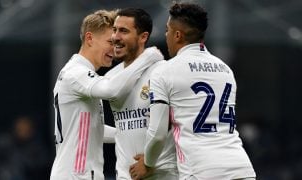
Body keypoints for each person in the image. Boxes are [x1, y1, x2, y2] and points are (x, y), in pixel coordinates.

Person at [129, 2, 256, 180]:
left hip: (201, 171)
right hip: (241, 168)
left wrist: (148, 164)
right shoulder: (225, 69)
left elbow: (157, 134)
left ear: (178, 35)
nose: (166, 36)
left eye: (167, 30)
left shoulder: (165, 71)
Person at [50, 9, 163, 180]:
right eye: (109, 41)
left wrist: (131, 132)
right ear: (89, 38)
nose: (115, 46)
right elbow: (111, 90)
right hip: (76, 175)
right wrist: (148, 57)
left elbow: (93, 130)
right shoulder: (76, 73)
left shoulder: (81, 76)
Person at [105, 8, 178, 180]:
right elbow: (121, 131)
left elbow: (179, 124)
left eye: (123, 31)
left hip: (163, 174)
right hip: (125, 175)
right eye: (114, 30)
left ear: (143, 37)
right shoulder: (110, 77)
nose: (115, 37)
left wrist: (149, 162)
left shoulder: (163, 71)